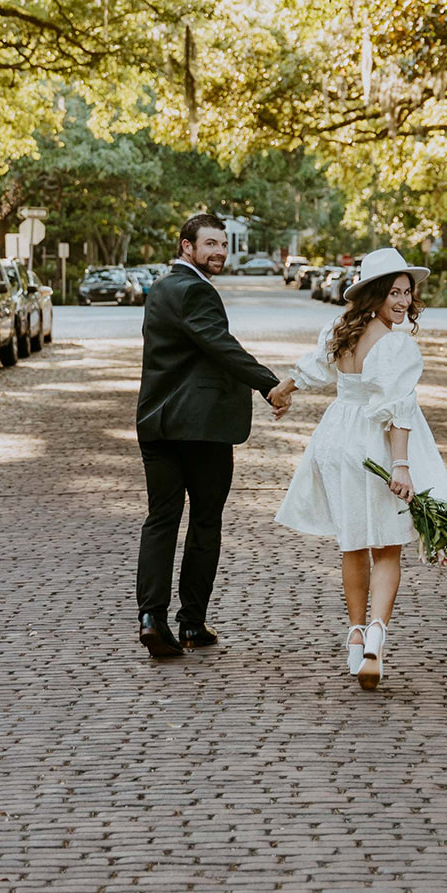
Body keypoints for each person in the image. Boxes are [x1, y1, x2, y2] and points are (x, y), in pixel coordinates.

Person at [272, 247, 447, 690]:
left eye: (407, 294)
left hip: (336, 439)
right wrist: (402, 465)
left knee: (352, 543)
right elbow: (397, 410)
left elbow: (315, 368)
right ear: (374, 294)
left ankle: (354, 637)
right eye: (394, 292)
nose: (403, 302)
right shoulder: (396, 343)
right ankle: (375, 636)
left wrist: (284, 388)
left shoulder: (340, 329)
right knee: (387, 548)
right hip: (371, 448)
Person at [135, 212, 291, 657]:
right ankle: (191, 623)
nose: (219, 251)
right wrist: (269, 384)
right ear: (187, 247)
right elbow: (220, 346)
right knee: (205, 522)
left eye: (223, 244)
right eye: (210, 244)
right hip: (200, 430)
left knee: (161, 520)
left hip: (156, 425)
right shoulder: (197, 291)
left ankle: (151, 617)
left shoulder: (161, 289)